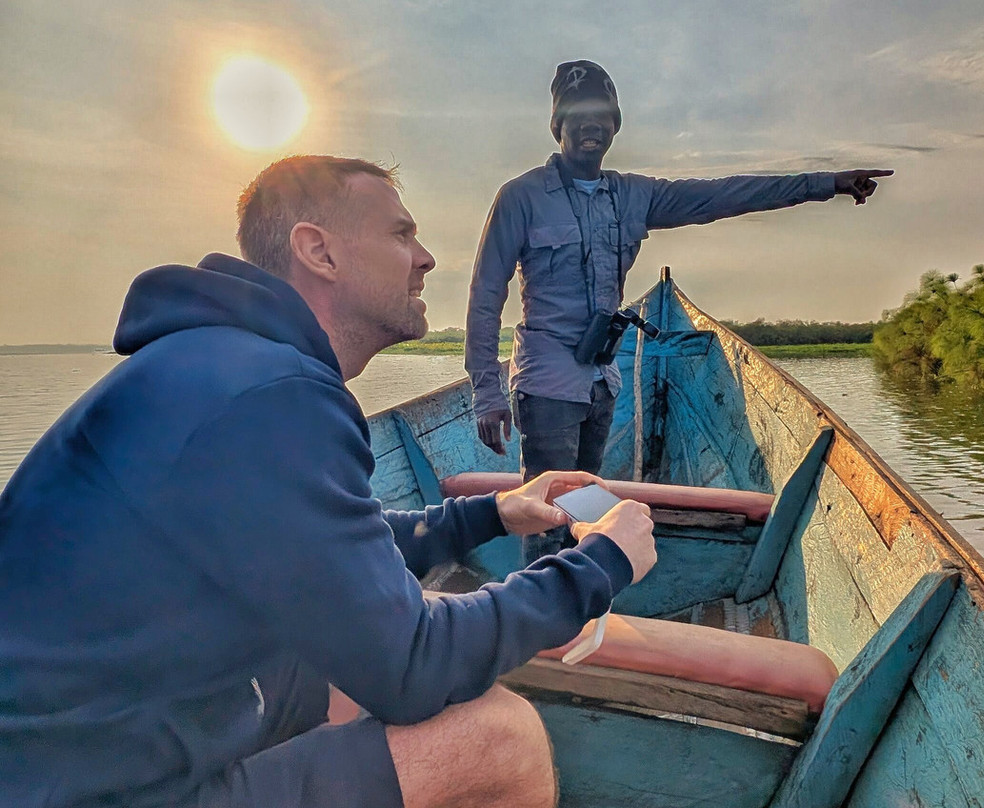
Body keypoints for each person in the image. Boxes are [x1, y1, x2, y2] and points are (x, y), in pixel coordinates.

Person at [0, 156, 657, 808]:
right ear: (318, 251)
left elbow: (330, 548)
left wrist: (494, 513)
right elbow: (412, 669)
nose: (425, 258)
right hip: (87, 786)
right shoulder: (273, 393)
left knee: (330, 667)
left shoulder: (226, 368)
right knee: (500, 738)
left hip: (113, 727)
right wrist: (603, 563)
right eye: (401, 235)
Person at [465, 60, 891, 561]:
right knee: (547, 514)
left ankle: (575, 605)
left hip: (602, 378)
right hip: (546, 382)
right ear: (558, 123)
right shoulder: (521, 197)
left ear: (615, 126)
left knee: (584, 507)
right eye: (578, 115)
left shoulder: (633, 196)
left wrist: (829, 183)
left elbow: (725, 195)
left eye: (603, 116)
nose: (591, 126)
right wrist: (486, 392)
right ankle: (539, 622)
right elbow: (485, 295)